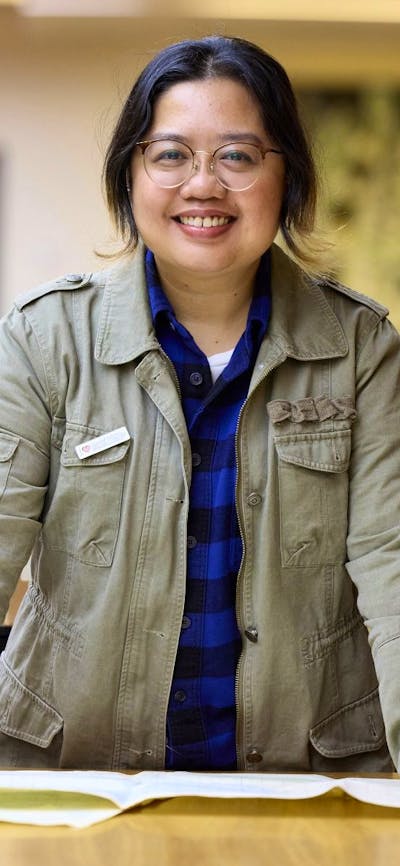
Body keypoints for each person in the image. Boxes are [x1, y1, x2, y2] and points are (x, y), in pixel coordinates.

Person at [0, 35, 399, 774]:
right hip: (73, 776)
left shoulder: (361, 349)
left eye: (239, 157)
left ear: (289, 179)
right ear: (131, 175)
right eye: (171, 155)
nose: (203, 185)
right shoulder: (41, 338)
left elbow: (393, 566)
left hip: (304, 778)